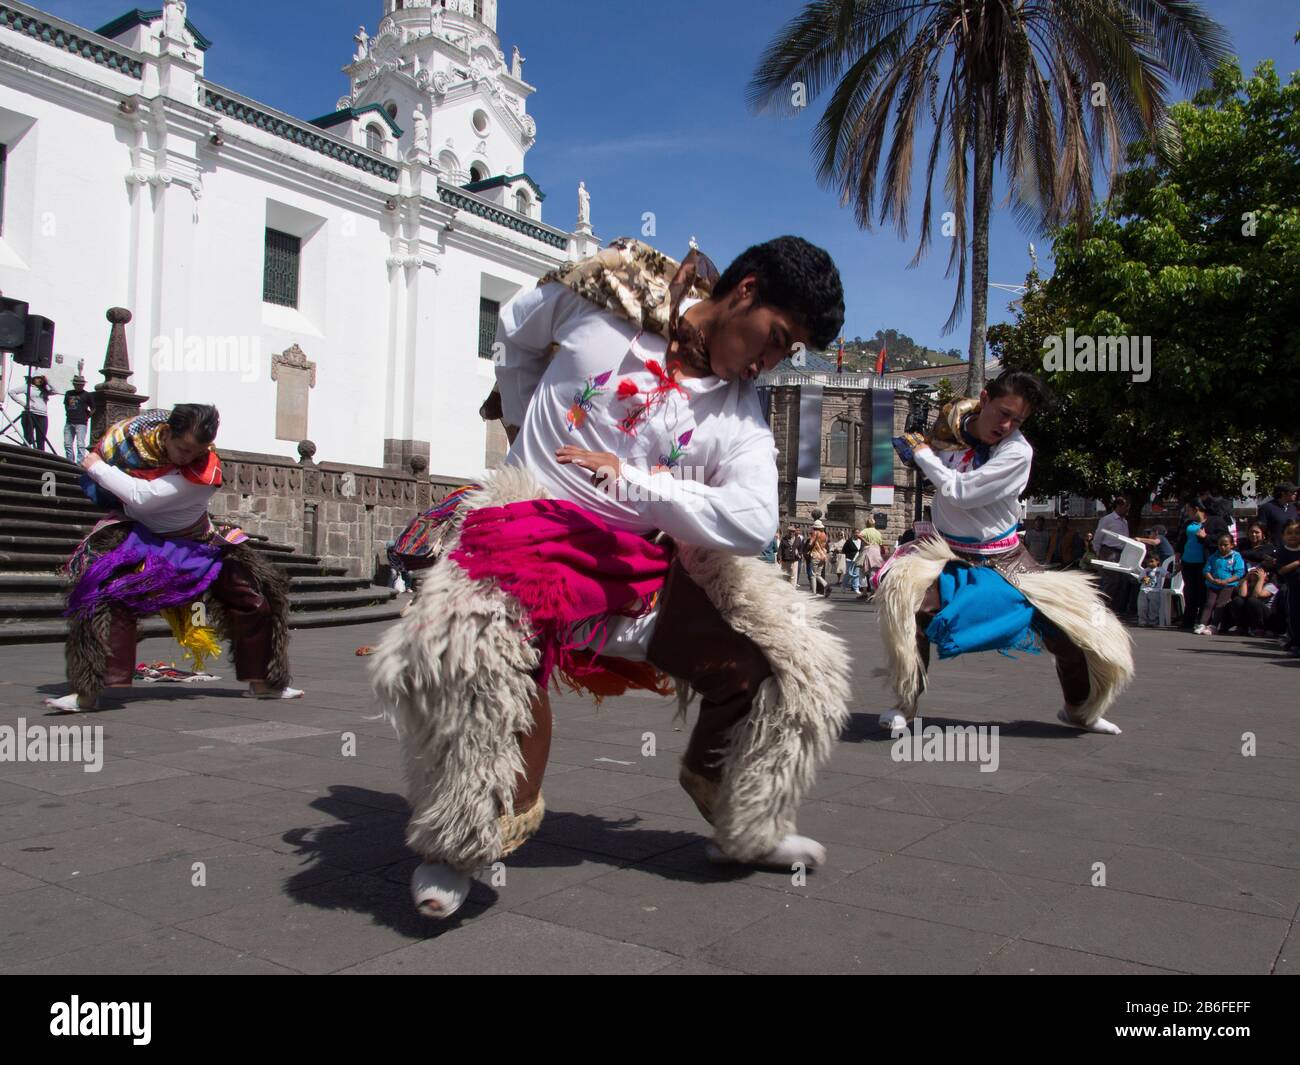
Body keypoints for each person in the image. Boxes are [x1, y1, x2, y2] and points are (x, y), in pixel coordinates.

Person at [371, 235, 852, 919]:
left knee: (783, 666)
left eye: (786, 353)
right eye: (774, 338)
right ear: (745, 291)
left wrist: (637, 484)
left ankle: (747, 821)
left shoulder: (738, 410)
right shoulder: (601, 301)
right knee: (472, 657)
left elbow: (750, 519)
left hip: (639, 568)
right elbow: (514, 329)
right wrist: (518, 424)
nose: (769, 363)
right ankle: (459, 840)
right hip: (524, 538)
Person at [876, 370, 1133, 736]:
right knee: (914, 611)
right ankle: (905, 705)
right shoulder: (952, 425)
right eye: (1003, 412)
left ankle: (1079, 710)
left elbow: (960, 492)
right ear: (984, 399)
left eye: (1018, 420)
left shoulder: (1017, 452)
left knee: (1069, 635)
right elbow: (935, 452)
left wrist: (921, 455)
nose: (1007, 424)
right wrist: (921, 449)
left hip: (1004, 557)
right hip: (945, 552)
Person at [45, 405, 302, 712]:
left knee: (256, 596)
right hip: (141, 540)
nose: (189, 458)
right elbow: (127, 490)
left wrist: (97, 467)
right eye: (183, 449)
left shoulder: (206, 472)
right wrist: (102, 466)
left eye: (199, 451)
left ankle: (265, 683)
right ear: (166, 434)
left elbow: (144, 497)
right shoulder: (131, 445)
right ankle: (86, 692)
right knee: (101, 593)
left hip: (197, 542)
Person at [1196, 533, 1245, 634]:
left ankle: (1214, 625)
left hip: (1228, 585)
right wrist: (1212, 580)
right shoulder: (1214, 556)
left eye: (1225, 545)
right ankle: (1202, 624)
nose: (1222, 547)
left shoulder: (1235, 556)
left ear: (1232, 545)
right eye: (1220, 545)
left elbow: (1239, 572)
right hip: (1213, 584)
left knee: (1220, 604)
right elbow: (1206, 570)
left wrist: (1227, 581)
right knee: (1209, 603)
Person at [1177, 501, 1209, 631]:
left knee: (1201, 591)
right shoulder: (1189, 524)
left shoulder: (1209, 523)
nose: (1187, 513)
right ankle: (1187, 620)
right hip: (1187, 561)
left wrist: (1206, 536)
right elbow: (1181, 541)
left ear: (1196, 509)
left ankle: (1201, 619)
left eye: (1189, 510)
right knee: (1189, 591)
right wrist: (1178, 559)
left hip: (1202, 562)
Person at [8, 373, 54, 451]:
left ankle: (40, 459)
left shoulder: (44, 388)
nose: (39, 380)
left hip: (42, 415)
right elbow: (11, 392)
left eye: (41, 378)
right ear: (33, 379)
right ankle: (24, 457)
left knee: (41, 440)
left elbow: (55, 390)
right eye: (37, 378)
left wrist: (47, 381)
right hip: (30, 414)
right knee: (28, 439)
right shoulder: (27, 387)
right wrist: (24, 404)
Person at [1276, 520, 1300, 655]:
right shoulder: (1283, 551)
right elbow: (1281, 570)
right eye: (1289, 533)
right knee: (1295, 615)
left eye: (1297, 533)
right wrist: (1297, 563)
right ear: (1283, 536)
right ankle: (1295, 642)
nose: (1293, 536)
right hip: (1293, 587)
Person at [63, 375, 92, 463]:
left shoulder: (87, 395)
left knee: (80, 444)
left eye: (81, 384)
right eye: (77, 384)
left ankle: (80, 463)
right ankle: (70, 461)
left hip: (81, 422)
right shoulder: (68, 393)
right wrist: (68, 413)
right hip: (69, 421)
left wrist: (87, 416)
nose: (79, 386)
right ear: (74, 384)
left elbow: (93, 407)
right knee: (67, 444)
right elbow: (66, 405)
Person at [1258, 484, 1298, 548]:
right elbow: (1260, 529)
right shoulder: (1266, 508)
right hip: (1275, 549)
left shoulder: (1293, 508)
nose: (1295, 493)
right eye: (1292, 491)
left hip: (1292, 548)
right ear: (1283, 493)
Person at [1136, 554, 1164, 627]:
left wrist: (1176, 571)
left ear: (1157, 562)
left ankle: (1153, 622)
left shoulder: (1160, 570)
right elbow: (1140, 579)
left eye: (1152, 561)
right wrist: (1146, 580)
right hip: (1144, 590)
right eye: (1148, 562)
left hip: (1155, 591)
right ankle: (1142, 621)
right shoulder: (1145, 570)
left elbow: (1168, 575)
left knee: (1154, 607)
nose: (1149, 563)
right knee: (1142, 607)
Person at [806, 519, 829, 595]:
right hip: (823, 556)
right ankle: (826, 585)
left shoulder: (815, 533)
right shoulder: (824, 534)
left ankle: (814, 592)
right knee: (818, 574)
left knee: (813, 575)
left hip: (815, 555)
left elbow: (810, 543)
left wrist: (809, 546)